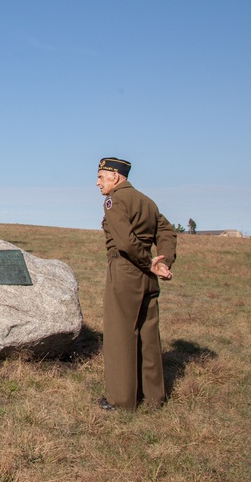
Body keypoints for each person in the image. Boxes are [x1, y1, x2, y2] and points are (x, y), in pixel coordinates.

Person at [96, 157, 177, 411]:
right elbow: (167, 232)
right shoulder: (147, 202)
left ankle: (121, 402)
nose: (97, 183)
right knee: (148, 335)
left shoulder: (115, 200)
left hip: (126, 269)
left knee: (120, 335)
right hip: (148, 276)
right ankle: (154, 399)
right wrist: (164, 261)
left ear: (115, 177)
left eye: (101, 177)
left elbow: (126, 242)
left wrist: (148, 262)